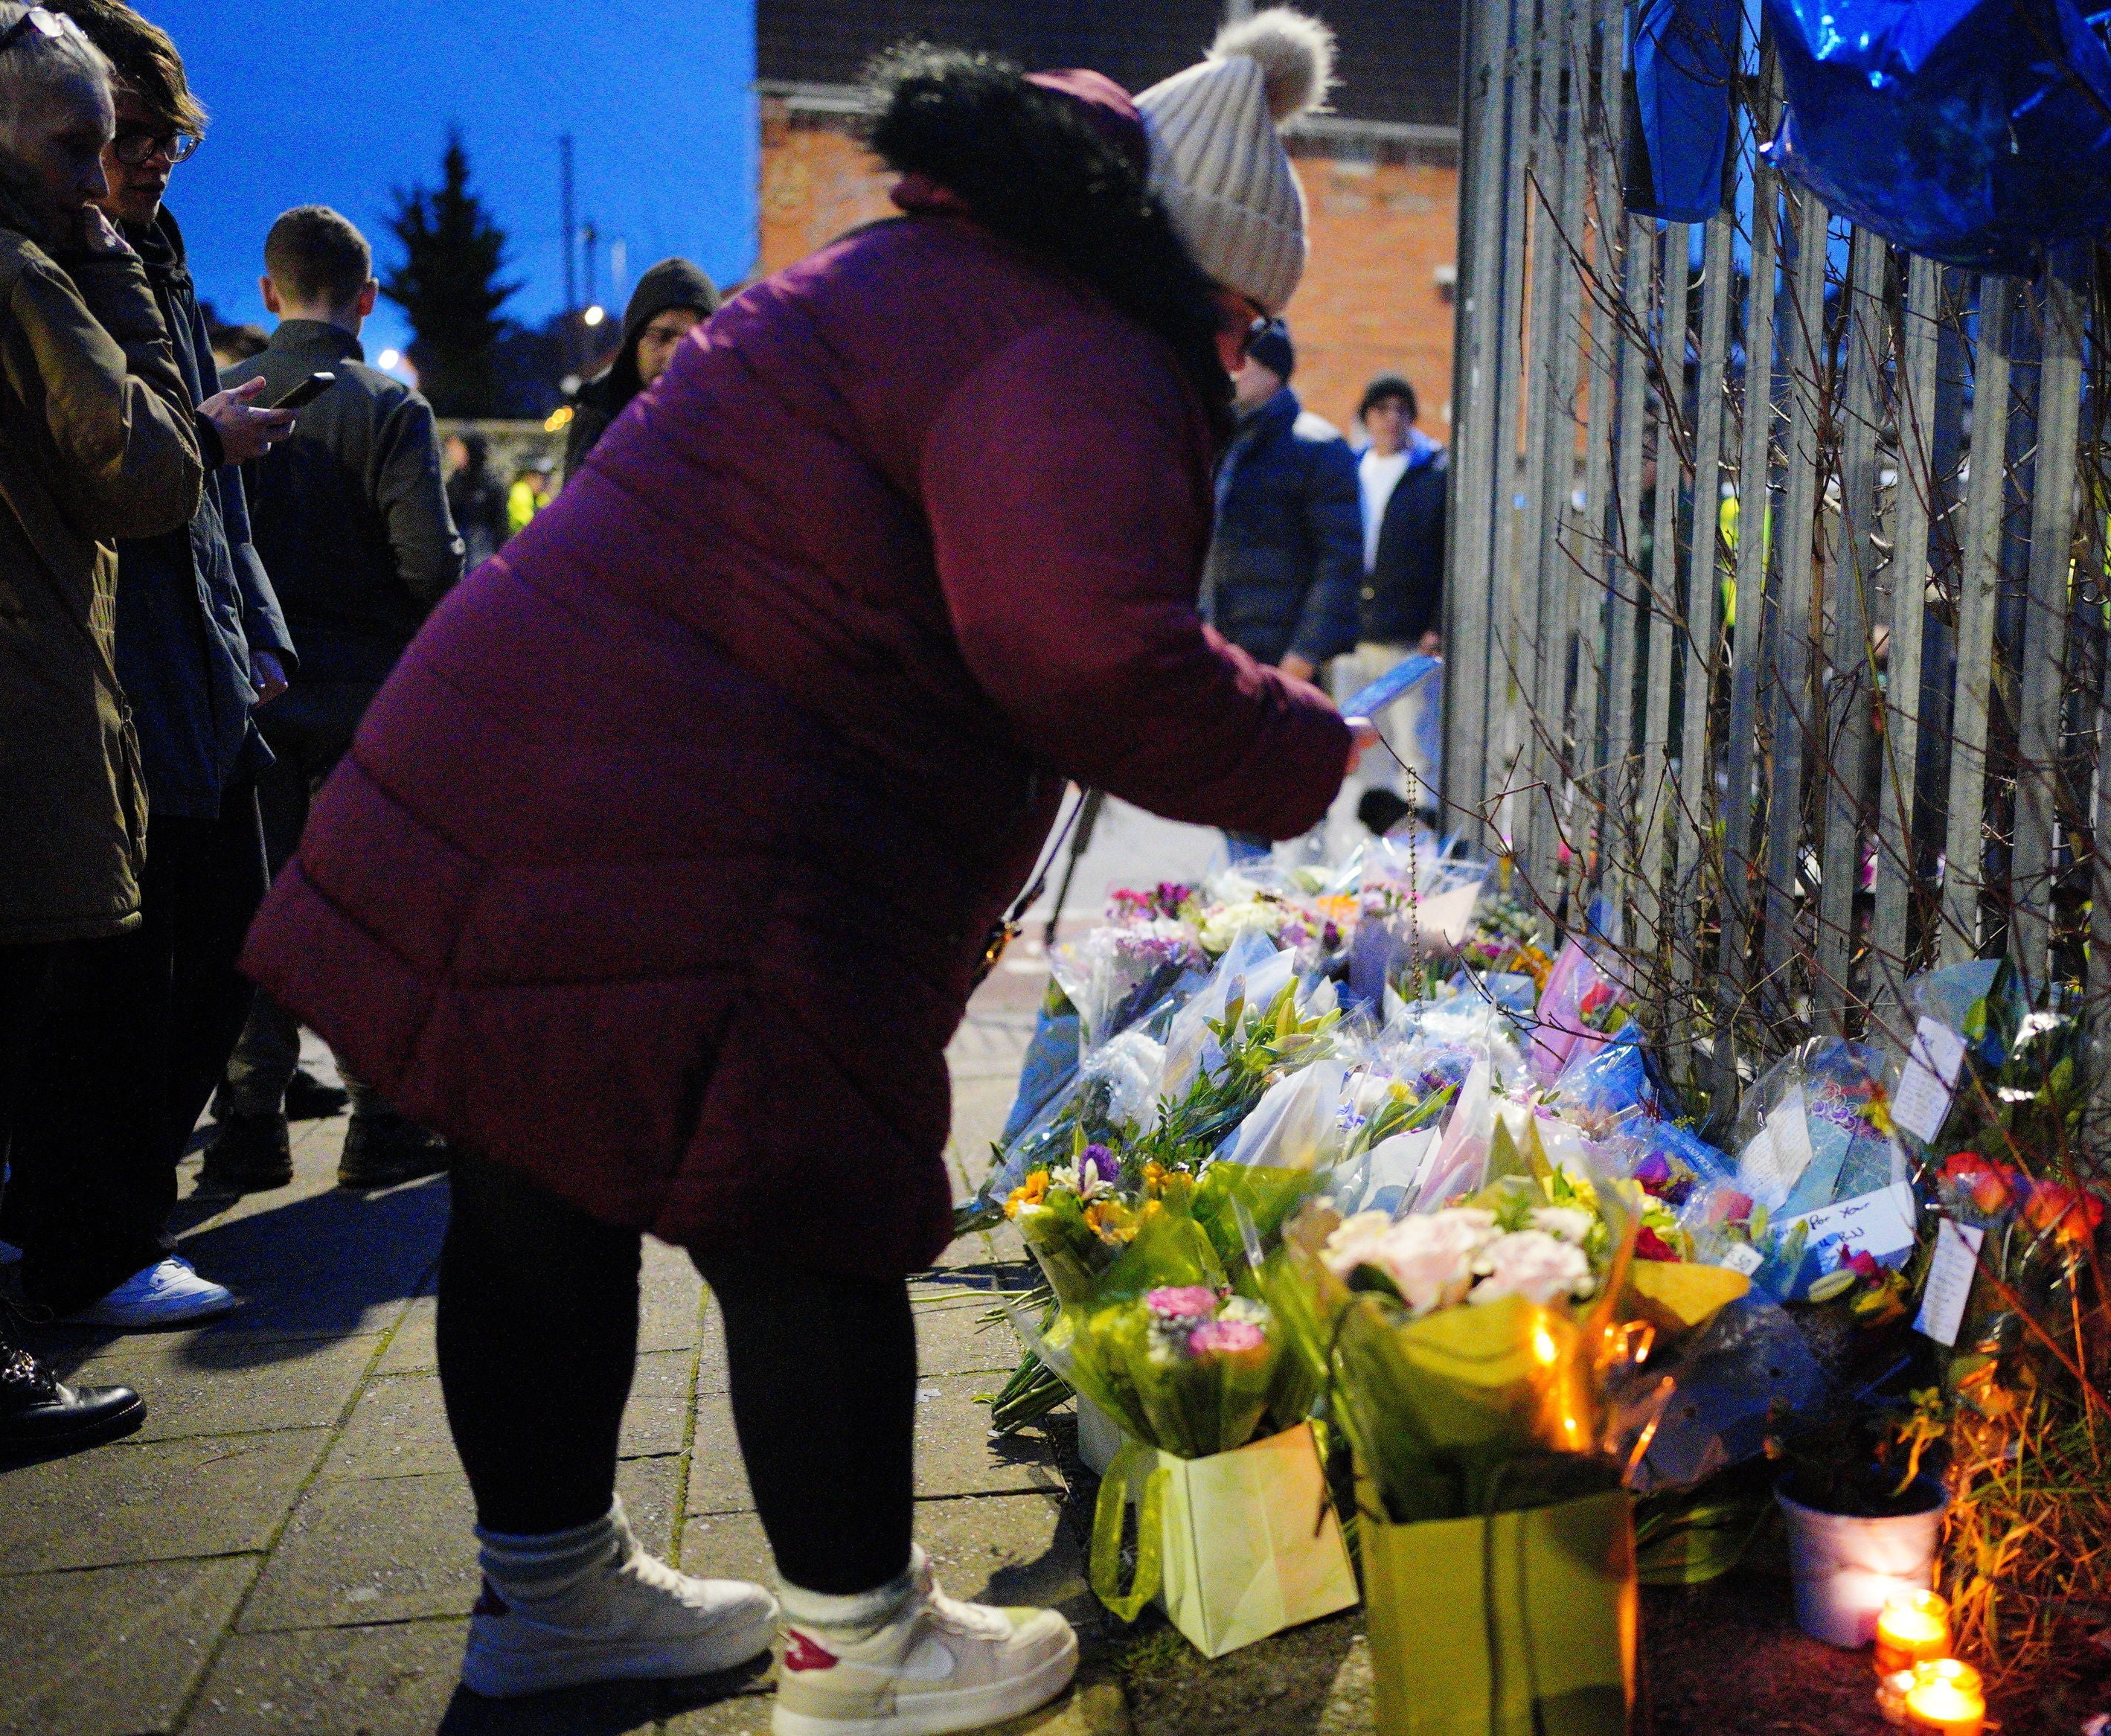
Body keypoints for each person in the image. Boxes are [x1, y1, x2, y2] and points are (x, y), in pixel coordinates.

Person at [244, 14, 1352, 1731]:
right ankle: (862, 1645)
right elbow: (1079, 644)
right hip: (713, 832)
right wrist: (1308, 751)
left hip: (531, 767)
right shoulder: (1073, 337)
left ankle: (551, 1600)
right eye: (1239, 317)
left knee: (536, 1177)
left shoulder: (916, 265)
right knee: (803, 1206)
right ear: (1187, 274)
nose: (1233, 352)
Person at [4, 0, 298, 1331]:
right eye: (118, 138)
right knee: (129, 964)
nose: (141, 164)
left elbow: (192, 475)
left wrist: (262, 633)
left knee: (228, 935)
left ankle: (89, 1208)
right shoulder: (43, 254)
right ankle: (88, 1225)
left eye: (163, 140)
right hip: (116, 652)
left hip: (200, 647)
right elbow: (126, 452)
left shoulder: (148, 248)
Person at [0, 1, 205, 1452]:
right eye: (77, 145)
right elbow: (145, 474)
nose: (98, 182)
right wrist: (118, 290)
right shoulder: (15, 274)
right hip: (6, 728)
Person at [202, 205, 464, 1195]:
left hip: (251, 694)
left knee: (258, 908)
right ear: (367, 297)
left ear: (270, 292)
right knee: (361, 911)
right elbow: (430, 562)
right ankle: (379, 1119)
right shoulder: (391, 409)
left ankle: (248, 1123)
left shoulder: (216, 397)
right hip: (367, 698)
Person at [1201, 315, 1361, 692]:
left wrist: (1306, 652)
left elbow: (1340, 558)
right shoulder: (1221, 438)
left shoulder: (1318, 448)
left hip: (1278, 657)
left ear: (1274, 372)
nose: (1232, 370)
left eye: (1246, 361)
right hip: (1216, 648)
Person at [1340, 373, 1447, 823]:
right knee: (1358, 751)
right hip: (1352, 635)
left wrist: (1437, 624)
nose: (1392, 420)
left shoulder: (1431, 475)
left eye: (1402, 410)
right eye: (1382, 410)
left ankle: (1419, 849)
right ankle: (1362, 848)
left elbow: (1447, 556)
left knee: (1415, 744)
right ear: (1367, 417)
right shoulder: (1349, 470)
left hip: (1407, 636)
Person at [558, 256, 717, 484]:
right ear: (634, 345)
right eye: (661, 337)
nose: (672, 355)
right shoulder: (600, 418)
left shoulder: (733, 419)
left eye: (691, 340)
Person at [443, 430, 505, 566]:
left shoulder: (490, 483)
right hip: (461, 553)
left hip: (482, 554)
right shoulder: (455, 482)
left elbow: (500, 525)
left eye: (457, 448)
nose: (452, 454)